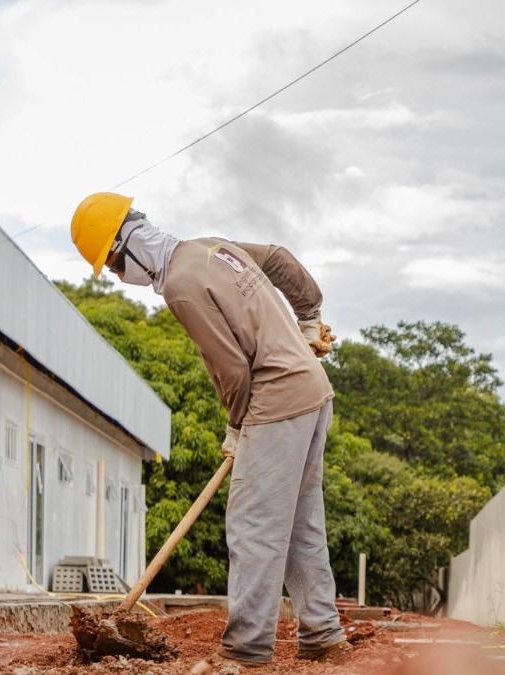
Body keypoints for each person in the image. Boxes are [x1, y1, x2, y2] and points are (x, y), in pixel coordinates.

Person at [70, 193, 345, 666]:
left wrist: (237, 426)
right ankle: (322, 635)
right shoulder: (213, 248)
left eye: (115, 265)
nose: (120, 277)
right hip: (314, 394)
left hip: (277, 403)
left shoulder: (180, 285)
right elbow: (279, 260)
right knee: (300, 525)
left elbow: (233, 372)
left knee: (253, 527)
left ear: (128, 244)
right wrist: (308, 318)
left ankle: (246, 652)